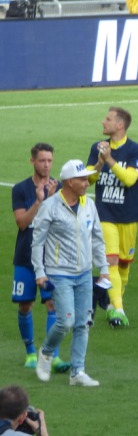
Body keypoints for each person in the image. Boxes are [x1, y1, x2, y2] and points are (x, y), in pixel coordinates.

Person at [32, 160, 109, 386]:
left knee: (83, 323)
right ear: (69, 182)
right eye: (82, 179)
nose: (87, 182)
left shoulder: (89, 204)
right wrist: (40, 272)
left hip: (84, 273)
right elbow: (37, 242)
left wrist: (103, 269)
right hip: (59, 274)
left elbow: (97, 238)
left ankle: (77, 372)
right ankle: (46, 352)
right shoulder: (50, 206)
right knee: (66, 322)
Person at [11, 143, 71, 373]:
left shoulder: (61, 189)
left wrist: (53, 200)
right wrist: (39, 201)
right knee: (25, 305)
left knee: (53, 305)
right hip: (26, 257)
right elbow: (22, 223)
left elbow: (64, 224)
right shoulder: (20, 190)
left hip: (51, 259)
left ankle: (52, 356)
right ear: (32, 161)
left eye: (50, 161)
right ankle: (30, 353)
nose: (46, 165)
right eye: (42, 160)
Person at [87, 107, 138, 328]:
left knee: (124, 266)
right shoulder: (98, 148)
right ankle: (119, 310)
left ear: (120, 125)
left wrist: (109, 160)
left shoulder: (135, 150)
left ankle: (113, 304)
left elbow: (129, 179)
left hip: (129, 215)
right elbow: (88, 180)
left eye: (108, 119)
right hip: (105, 214)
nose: (104, 122)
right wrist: (99, 163)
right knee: (110, 260)